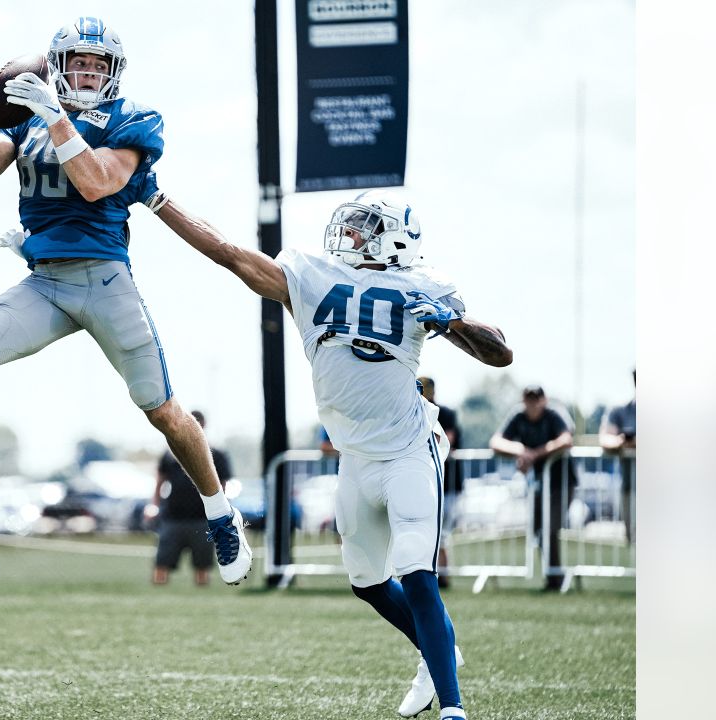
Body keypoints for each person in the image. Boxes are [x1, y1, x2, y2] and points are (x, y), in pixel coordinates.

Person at [0, 16, 251, 585]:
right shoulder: (29, 123)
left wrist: (56, 117)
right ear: (57, 65)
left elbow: (95, 183)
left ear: (113, 71)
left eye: (99, 63)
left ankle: (219, 510)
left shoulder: (129, 120)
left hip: (105, 279)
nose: (88, 71)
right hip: (44, 278)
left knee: (163, 410)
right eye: (78, 61)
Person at [147, 186, 513, 720]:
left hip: (411, 449)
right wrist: (159, 203)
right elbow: (229, 253)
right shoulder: (314, 275)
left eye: (363, 225)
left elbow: (500, 353)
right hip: (355, 457)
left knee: (416, 570)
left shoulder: (422, 284)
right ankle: (437, 653)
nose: (349, 234)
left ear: (395, 239)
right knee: (367, 582)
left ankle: (453, 708)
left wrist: (451, 322)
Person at [489, 385, 574, 591]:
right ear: (523, 400)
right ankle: (553, 576)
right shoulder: (518, 416)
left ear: (543, 400)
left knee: (550, 527)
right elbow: (496, 441)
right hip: (537, 484)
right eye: (529, 399)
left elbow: (566, 439)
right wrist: (520, 450)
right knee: (538, 528)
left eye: (536, 399)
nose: (533, 403)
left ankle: (555, 577)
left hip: (561, 481)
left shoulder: (554, 415)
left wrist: (534, 454)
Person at [149, 410, 233, 586]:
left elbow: (223, 485)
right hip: (173, 516)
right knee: (162, 561)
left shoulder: (215, 454)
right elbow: (160, 480)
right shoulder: (169, 453)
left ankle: (202, 600)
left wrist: (221, 512)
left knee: (202, 564)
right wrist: (154, 505)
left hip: (202, 517)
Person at [417, 376, 461, 588]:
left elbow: (445, 440)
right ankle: (435, 575)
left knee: (441, 533)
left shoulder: (447, 414)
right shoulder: (412, 411)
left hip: (448, 483)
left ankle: (441, 576)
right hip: (426, 483)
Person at [599, 369, 636, 543]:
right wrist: (623, 441)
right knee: (634, 538)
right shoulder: (621, 410)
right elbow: (605, 439)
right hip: (630, 487)